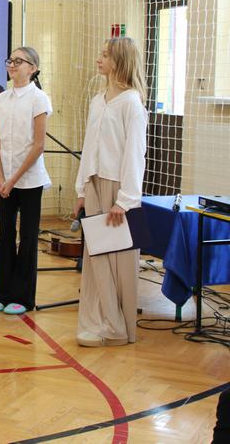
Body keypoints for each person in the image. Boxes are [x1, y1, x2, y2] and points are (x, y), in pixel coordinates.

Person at [74, 37, 147, 347]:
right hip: (94, 183)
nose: (99, 59)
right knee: (97, 257)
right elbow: (89, 146)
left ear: (119, 61)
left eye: (105, 55)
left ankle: (118, 327)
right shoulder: (97, 100)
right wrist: (81, 188)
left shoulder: (131, 103)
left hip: (118, 189)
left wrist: (126, 200)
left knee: (119, 259)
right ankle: (101, 319)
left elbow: (135, 153)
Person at [0, 47, 53, 314]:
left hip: (29, 180)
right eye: (10, 60)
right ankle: (3, 294)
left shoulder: (39, 99)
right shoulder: (1, 99)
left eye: (19, 61)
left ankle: (24, 298)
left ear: (33, 68)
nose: (13, 65)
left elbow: (38, 145)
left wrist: (13, 179)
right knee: (5, 235)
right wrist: (1, 178)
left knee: (27, 238)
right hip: (5, 182)